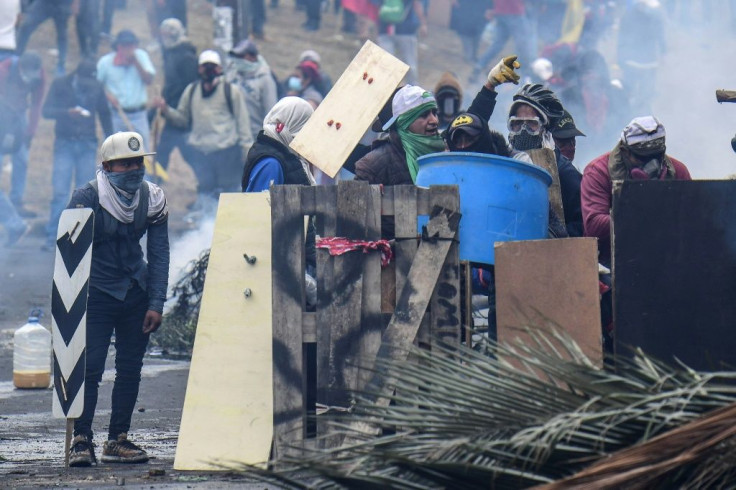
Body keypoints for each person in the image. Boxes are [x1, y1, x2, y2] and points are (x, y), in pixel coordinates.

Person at [66, 131, 169, 467]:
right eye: (126, 163)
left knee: (129, 369)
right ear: (108, 165)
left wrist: (156, 302)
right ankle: (81, 439)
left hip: (135, 293)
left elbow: (158, 252)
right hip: (95, 293)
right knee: (90, 367)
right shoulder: (87, 197)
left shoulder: (152, 197)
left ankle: (118, 439)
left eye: (139, 162)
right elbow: (69, 256)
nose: (135, 169)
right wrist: (70, 309)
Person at [581, 116, 691, 267]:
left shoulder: (678, 171)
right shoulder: (598, 172)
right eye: (642, 158)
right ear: (625, 151)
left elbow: (692, 221)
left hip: (666, 259)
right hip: (610, 263)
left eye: (657, 156)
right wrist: (644, 216)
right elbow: (594, 225)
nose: (652, 164)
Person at [153, 50, 253, 198]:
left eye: (213, 66)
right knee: (206, 193)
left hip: (226, 153)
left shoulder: (230, 91)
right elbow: (182, 119)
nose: (208, 70)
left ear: (219, 69)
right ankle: (206, 220)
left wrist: (247, 153)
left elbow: (243, 124)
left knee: (229, 193)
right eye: (205, 66)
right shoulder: (191, 91)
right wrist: (166, 110)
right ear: (199, 69)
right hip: (202, 154)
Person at [354, 84, 445, 237]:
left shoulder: (445, 157)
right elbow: (356, 221)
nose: (434, 120)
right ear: (404, 122)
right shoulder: (373, 165)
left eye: (434, 113)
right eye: (424, 115)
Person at [42, 58, 113, 251]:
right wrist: (66, 112)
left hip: (87, 142)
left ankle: (81, 238)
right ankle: (52, 236)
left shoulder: (97, 86)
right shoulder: (60, 83)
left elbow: (104, 114)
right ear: (77, 76)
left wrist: (112, 141)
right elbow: (46, 111)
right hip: (65, 142)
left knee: (84, 194)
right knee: (60, 191)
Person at [506, 83, 583, 237]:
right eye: (517, 123)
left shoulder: (564, 172)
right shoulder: (505, 164)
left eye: (531, 124)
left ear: (545, 128)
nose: (523, 130)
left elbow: (582, 225)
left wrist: (558, 237)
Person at [0, 51, 46, 217]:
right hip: (2, 112)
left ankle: (16, 201)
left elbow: (36, 103)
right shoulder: (5, 69)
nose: (30, 77)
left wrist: (30, 131)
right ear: (21, 67)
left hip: (19, 115)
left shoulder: (39, 75)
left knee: (21, 158)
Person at [97, 30, 156, 153]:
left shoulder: (141, 56)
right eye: (125, 46)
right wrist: (108, 97)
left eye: (132, 45)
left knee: (142, 154)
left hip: (139, 115)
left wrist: (136, 62)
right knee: (115, 153)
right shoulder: (105, 62)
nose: (129, 49)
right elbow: (97, 86)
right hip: (116, 115)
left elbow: (149, 80)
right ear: (118, 47)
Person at [155, 18, 199, 172]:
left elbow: (190, 87)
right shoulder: (170, 53)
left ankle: (207, 181)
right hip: (172, 110)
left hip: (182, 112)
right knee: (164, 151)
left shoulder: (187, 57)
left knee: (187, 152)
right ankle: (156, 180)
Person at [469, 0, 534, 83]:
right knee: (522, 45)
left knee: (497, 44)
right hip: (515, 12)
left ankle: (479, 66)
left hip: (500, 12)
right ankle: (525, 75)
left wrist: (491, 7)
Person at [226, 39, 278, 139]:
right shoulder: (232, 74)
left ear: (253, 57)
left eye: (241, 56)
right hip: (232, 136)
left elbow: (271, 113)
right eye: (237, 56)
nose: (238, 59)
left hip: (254, 135)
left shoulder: (265, 79)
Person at [16, 0, 76, 75]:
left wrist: (75, 3)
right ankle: (17, 56)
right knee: (26, 26)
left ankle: (61, 65)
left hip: (63, 4)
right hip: (44, 3)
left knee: (62, 34)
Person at [377, 0, 428, 85]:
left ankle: (384, 88)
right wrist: (423, 24)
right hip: (406, 30)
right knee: (410, 64)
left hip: (384, 29)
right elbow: (417, 4)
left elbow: (376, 6)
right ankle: (412, 90)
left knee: (385, 63)